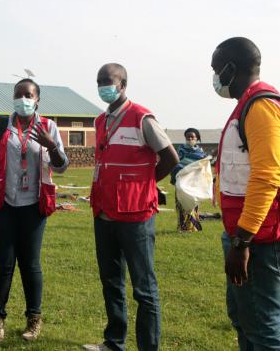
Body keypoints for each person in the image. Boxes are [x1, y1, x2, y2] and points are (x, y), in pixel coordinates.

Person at [211, 37, 280, 351]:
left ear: (230, 69)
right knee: (245, 320)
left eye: (215, 70)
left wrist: (242, 241)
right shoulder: (247, 105)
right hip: (250, 237)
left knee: (263, 329)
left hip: (262, 240)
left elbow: (266, 178)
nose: (214, 78)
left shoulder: (262, 108)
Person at [83, 63, 178, 351]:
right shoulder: (101, 121)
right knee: (111, 281)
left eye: (108, 82)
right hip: (104, 212)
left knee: (144, 289)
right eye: (99, 81)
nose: (103, 87)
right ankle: (114, 342)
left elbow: (171, 157)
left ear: (123, 84)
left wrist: (146, 184)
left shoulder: (141, 118)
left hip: (135, 215)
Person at [0, 78, 69, 343]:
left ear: (37, 100)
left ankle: (34, 319)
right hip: (2, 205)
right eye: (19, 94)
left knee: (31, 264)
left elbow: (61, 166)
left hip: (34, 206)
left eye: (29, 95)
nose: (23, 99)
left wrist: (51, 145)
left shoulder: (49, 127)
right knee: (2, 264)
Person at [170, 128, 207, 232]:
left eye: (192, 137)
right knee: (182, 204)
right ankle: (182, 227)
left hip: (193, 182)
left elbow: (202, 166)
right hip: (182, 182)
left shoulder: (200, 152)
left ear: (197, 138)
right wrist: (182, 170)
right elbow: (175, 164)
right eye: (188, 137)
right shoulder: (180, 150)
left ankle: (193, 227)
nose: (190, 139)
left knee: (193, 204)